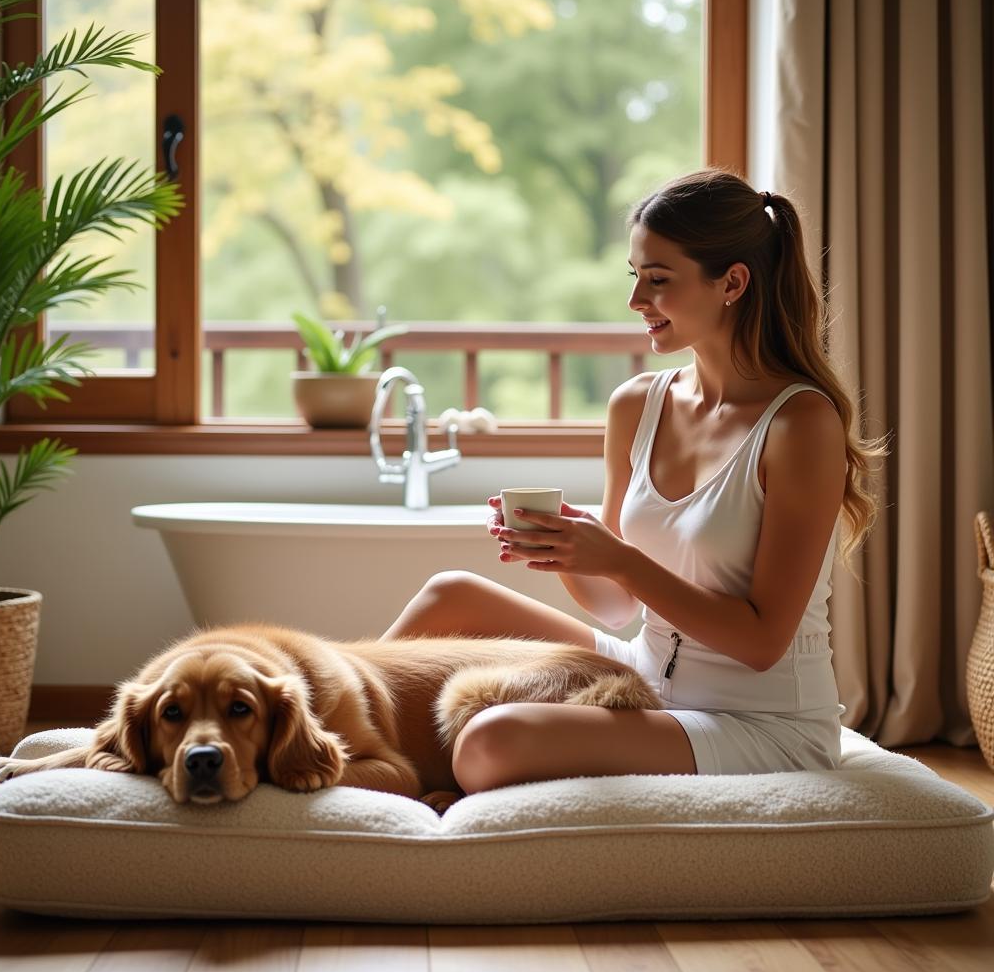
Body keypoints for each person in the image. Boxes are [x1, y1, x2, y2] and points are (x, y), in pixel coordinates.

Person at [379, 167, 887, 794]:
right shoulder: (637, 405)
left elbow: (761, 641)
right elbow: (617, 607)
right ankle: (322, 736)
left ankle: (384, 765)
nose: (636, 300)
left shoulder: (801, 423)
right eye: (635, 277)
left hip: (755, 719)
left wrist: (619, 557)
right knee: (448, 595)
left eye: (658, 280)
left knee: (489, 741)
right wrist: (567, 548)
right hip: (644, 672)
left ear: (732, 283)